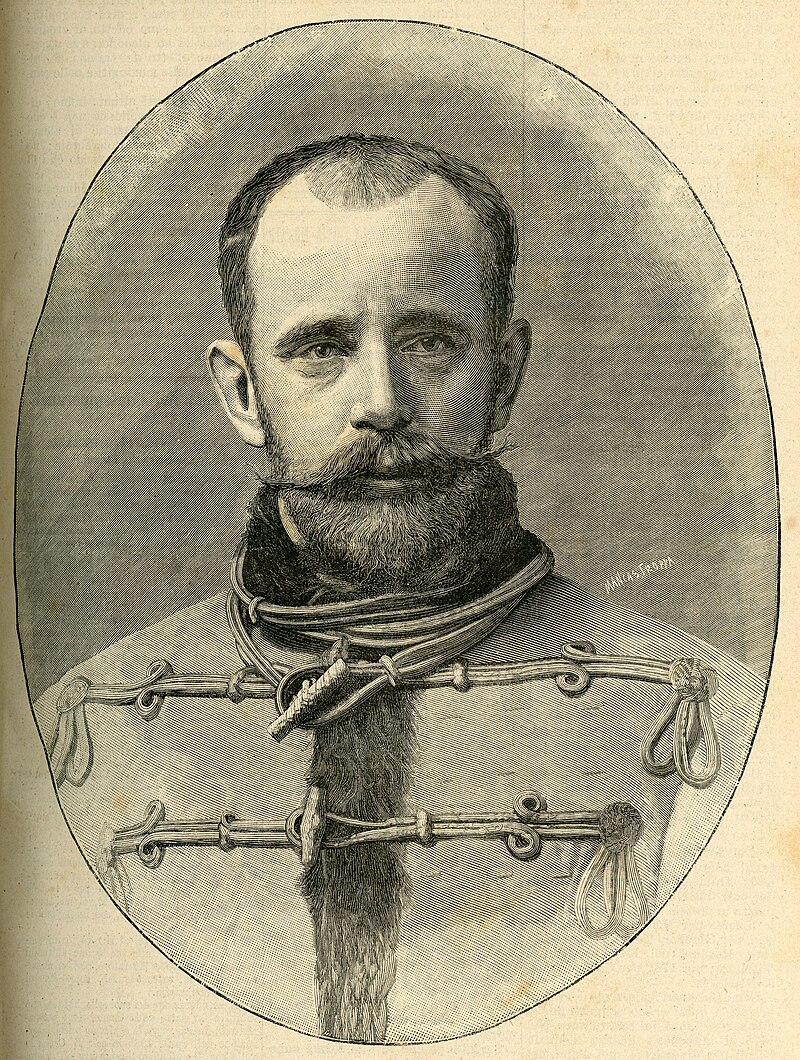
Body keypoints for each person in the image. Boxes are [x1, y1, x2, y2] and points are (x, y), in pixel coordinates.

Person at [33, 135, 765, 1044]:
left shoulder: (712, 727)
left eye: (430, 342)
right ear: (243, 392)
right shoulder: (84, 732)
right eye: (320, 348)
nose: (382, 400)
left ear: (505, 374)